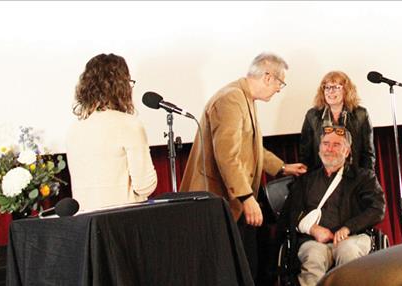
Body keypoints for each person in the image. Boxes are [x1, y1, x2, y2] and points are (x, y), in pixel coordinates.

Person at [179, 52, 307, 279]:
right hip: (220, 202)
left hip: (232, 201)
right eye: (280, 82)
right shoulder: (231, 99)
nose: (279, 89)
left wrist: (282, 167)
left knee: (248, 264)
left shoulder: (244, 97)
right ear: (268, 77)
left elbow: (252, 147)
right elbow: (227, 155)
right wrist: (247, 198)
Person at [279, 125, 385, 286]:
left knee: (347, 252)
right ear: (319, 148)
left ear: (347, 151)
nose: (330, 149)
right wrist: (313, 229)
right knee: (313, 256)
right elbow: (290, 213)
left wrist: (348, 228)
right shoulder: (305, 180)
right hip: (315, 241)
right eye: (326, 144)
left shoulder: (364, 178)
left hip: (353, 237)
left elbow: (377, 209)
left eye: (337, 145)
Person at [66, 53, 157, 211]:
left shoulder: (75, 129)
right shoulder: (129, 125)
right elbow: (145, 186)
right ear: (121, 86)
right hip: (122, 220)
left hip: (86, 223)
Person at [299, 71, 375, 171]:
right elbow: (305, 154)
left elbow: (368, 154)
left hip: (353, 175)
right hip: (322, 176)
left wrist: (366, 180)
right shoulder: (312, 115)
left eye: (335, 87)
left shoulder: (361, 114)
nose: (330, 91)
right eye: (327, 87)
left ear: (346, 90)